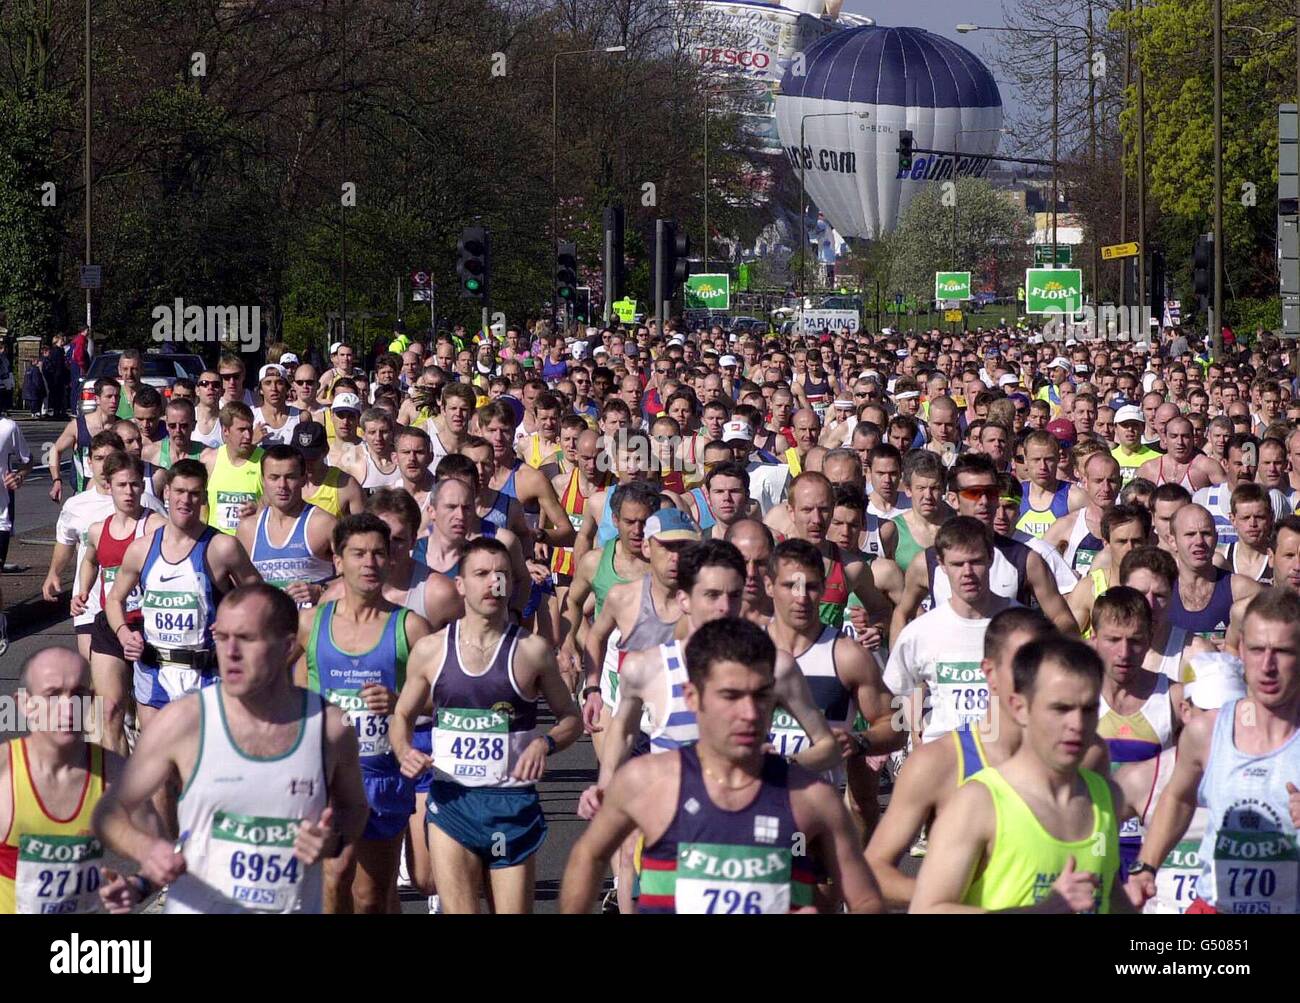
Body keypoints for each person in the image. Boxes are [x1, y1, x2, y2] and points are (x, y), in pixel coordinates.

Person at [559, 617, 883, 914]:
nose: (749, 713)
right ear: (692, 697)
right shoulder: (647, 783)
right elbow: (588, 855)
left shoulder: (812, 797)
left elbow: (866, 899)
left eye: (760, 696)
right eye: (730, 695)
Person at [93, 584, 370, 914]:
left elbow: (354, 808)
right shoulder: (184, 721)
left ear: (287, 648)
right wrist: (149, 851)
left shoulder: (330, 726)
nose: (230, 652)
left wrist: (334, 840)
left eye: (247, 638)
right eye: (222, 638)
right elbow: (110, 810)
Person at [391, 538, 582, 914]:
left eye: (502, 574)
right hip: (453, 801)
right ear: (460, 585)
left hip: (511, 803)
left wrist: (544, 743)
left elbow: (571, 718)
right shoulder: (431, 650)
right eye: (481, 574)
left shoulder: (532, 651)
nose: (493, 582)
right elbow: (402, 715)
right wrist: (405, 751)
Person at [867, 608, 1095, 908]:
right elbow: (872, 873)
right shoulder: (939, 762)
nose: (1035, 677)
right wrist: (940, 893)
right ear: (989, 672)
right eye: (1023, 664)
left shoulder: (1086, 756)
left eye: (1044, 665)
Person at [910, 636, 1133, 913]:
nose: (1077, 724)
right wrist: (1042, 911)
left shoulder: (1106, 796)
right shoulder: (978, 802)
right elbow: (927, 909)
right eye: (1060, 708)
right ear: (1019, 708)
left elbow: (1108, 895)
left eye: (1088, 710)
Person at [1128, 589, 1300, 914]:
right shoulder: (1207, 731)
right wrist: (1146, 867)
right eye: (1257, 650)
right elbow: (1178, 797)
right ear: (1241, 653)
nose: (1268, 665)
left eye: (1283, 651)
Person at [294, 514, 431, 912]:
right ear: (338, 561)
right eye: (358, 554)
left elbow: (442, 698)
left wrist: (401, 703)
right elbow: (284, 687)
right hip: (329, 778)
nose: (369, 563)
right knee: (334, 880)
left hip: (383, 775)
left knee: (371, 897)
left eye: (377, 554)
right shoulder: (310, 624)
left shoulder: (410, 627)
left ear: (390, 561)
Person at [105, 459, 261, 735]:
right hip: (154, 672)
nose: (185, 500)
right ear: (166, 493)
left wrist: (235, 626)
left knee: (204, 765)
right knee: (159, 763)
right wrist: (123, 633)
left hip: (207, 674)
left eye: (193, 493)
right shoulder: (141, 549)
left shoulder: (222, 547)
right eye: (179, 491)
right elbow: (115, 598)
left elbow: (260, 599)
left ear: (203, 497)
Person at [0, 648, 147, 914]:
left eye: (78, 695)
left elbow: (162, 855)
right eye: (52, 695)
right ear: (24, 704)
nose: (68, 708)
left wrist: (137, 886)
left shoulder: (114, 773)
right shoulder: (4, 771)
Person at [885, 517, 1020, 743]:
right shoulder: (920, 632)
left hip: (1006, 759)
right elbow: (896, 692)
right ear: (942, 565)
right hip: (944, 759)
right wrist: (913, 736)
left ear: (991, 558)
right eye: (957, 564)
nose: (967, 572)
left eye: (975, 561)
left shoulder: (1024, 627)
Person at [72, 452, 167, 753]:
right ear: (108, 485)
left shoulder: (155, 527)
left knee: (148, 720)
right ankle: (116, 785)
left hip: (147, 628)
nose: (129, 492)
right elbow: (89, 561)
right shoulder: (98, 530)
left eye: (136, 485)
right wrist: (82, 592)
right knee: (108, 712)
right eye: (122, 485)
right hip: (109, 626)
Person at [1091, 587, 1182, 873]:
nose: (1124, 653)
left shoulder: (1174, 697)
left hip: (1152, 855)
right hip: (1092, 848)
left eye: (1135, 641)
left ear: (1150, 640)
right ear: (1094, 640)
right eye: (1113, 640)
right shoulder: (1075, 698)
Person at [236, 444, 336, 607]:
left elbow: (354, 577)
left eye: (290, 477)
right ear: (263, 480)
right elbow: (237, 589)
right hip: (268, 628)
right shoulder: (248, 529)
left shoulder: (323, 524)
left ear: (304, 479)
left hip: (311, 628)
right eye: (274, 477)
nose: (282, 485)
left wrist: (320, 590)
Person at [1066, 503, 1152, 636]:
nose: (1130, 548)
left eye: (1137, 541)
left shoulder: (1159, 588)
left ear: (1147, 541)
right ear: (1106, 543)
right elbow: (1064, 642)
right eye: (1122, 542)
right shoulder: (1088, 588)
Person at [1044, 451, 1120, 574]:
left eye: (1112, 481)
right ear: (1085, 483)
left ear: (1120, 482)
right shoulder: (1066, 525)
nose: (1106, 488)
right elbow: (1038, 566)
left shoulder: (1131, 526)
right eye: (1098, 481)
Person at [48, 377, 120, 501]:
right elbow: (55, 449)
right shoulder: (78, 426)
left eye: (117, 397)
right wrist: (57, 480)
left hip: (112, 496)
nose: (113, 401)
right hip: (83, 495)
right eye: (108, 396)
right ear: (97, 399)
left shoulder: (121, 428)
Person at [201, 402, 264, 535]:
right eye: (241, 430)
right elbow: (202, 506)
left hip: (251, 543)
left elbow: (277, 505)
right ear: (225, 430)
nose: (248, 436)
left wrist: (259, 509)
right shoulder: (209, 460)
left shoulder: (265, 461)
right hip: (217, 544)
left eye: (250, 429)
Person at [296, 420, 366, 518]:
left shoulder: (347, 485)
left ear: (325, 451)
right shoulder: (283, 483)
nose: (307, 464)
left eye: (313, 458)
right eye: (302, 458)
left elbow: (364, 530)